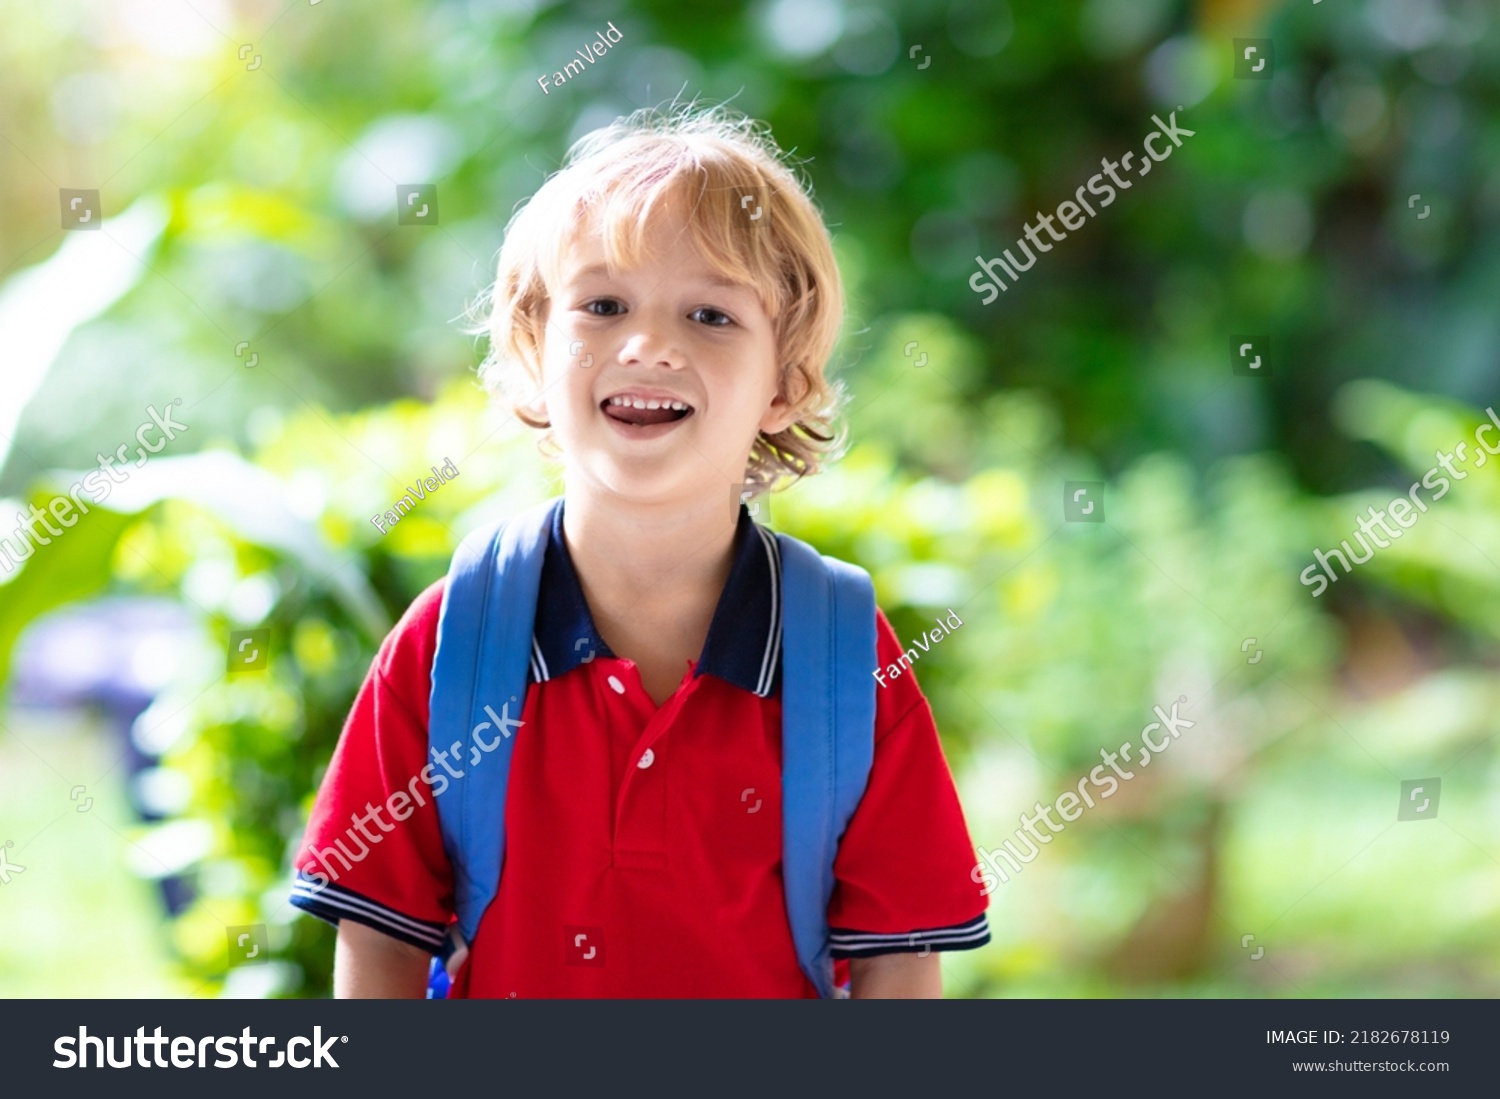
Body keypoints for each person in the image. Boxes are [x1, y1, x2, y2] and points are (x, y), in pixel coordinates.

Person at [289, 104, 989, 998]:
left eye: (709, 313)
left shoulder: (843, 655)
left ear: (786, 383)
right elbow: (377, 937)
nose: (650, 344)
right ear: (535, 353)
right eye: (604, 304)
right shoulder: (452, 643)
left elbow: (900, 960)